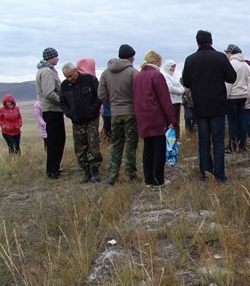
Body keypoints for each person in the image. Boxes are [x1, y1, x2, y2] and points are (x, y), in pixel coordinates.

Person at [182, 30, 236, 182]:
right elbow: (232, 77)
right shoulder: (220, 57)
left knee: (203, 141)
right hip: (217, 105)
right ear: (211, 41)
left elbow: (186, 82)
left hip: (200, 106)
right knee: (218, 141)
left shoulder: (190, 59)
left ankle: (206, 173)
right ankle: (219, 175)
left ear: (197, 42)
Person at [133, 50, 176, 187]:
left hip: (142, 117)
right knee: (159, 148)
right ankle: (158, 179)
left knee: (148, 148)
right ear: (157, 62)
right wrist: (170, 119)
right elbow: (165, 99)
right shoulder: (156, 75)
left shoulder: (138, 76)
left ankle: (148, 179)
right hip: (156, 117)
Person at [98, 44, 139, 185]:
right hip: (131, 113)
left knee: (116, 143)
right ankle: (131, 172)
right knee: (131, 143)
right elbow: (140, 93)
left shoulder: (106, 73)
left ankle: (112, 174)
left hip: (115, 113)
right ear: (130, 56)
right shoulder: (132, 72)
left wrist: (112, 104)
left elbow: (101, 94)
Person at [60, 62, 103, 182]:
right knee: (80, 146)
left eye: (70, 75)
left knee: (93, 143)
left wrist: (93, 110)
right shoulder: (64, 86)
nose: (70, 79)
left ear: (76, 71)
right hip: (77, 121)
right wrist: (70, 114)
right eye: (66, 77)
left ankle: (95, 170)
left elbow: (99, 96)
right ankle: (86, 171)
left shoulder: (89, 80)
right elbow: (63, 103)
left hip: (91, 119)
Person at [36, 47, 66, 179]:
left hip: (51, 109)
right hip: (52, 109)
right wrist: (62, 101)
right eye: (56, 56)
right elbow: (49, 93)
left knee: (56, 139)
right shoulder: (47, 72)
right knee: (56, 140)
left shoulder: (44, 70)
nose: (58, 58)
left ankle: (54, 168)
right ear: (50, 57)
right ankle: (53, 170)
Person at [225, 44, 250, 153]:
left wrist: (225, 97)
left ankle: (233, 145)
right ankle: (242, 144)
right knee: (241, 120)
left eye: (227, 53)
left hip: (232, 96)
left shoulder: (231, 64)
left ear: (230, 53)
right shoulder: (245, 65)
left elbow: (228, 83)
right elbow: (249, 82)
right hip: (243, 96)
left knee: (232, 122)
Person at [161, 60, 185, 140]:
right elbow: (170, 88)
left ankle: (177, 138)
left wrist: (181, 90)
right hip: (171, 102)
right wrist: (180, 91)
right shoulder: (165, 76)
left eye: (174, 66)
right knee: (172, 122)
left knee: (177, 122)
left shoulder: (174, 76)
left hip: (178, 101)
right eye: (172, 66)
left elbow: (181, 86)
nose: (174, 68)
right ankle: (171, 139)